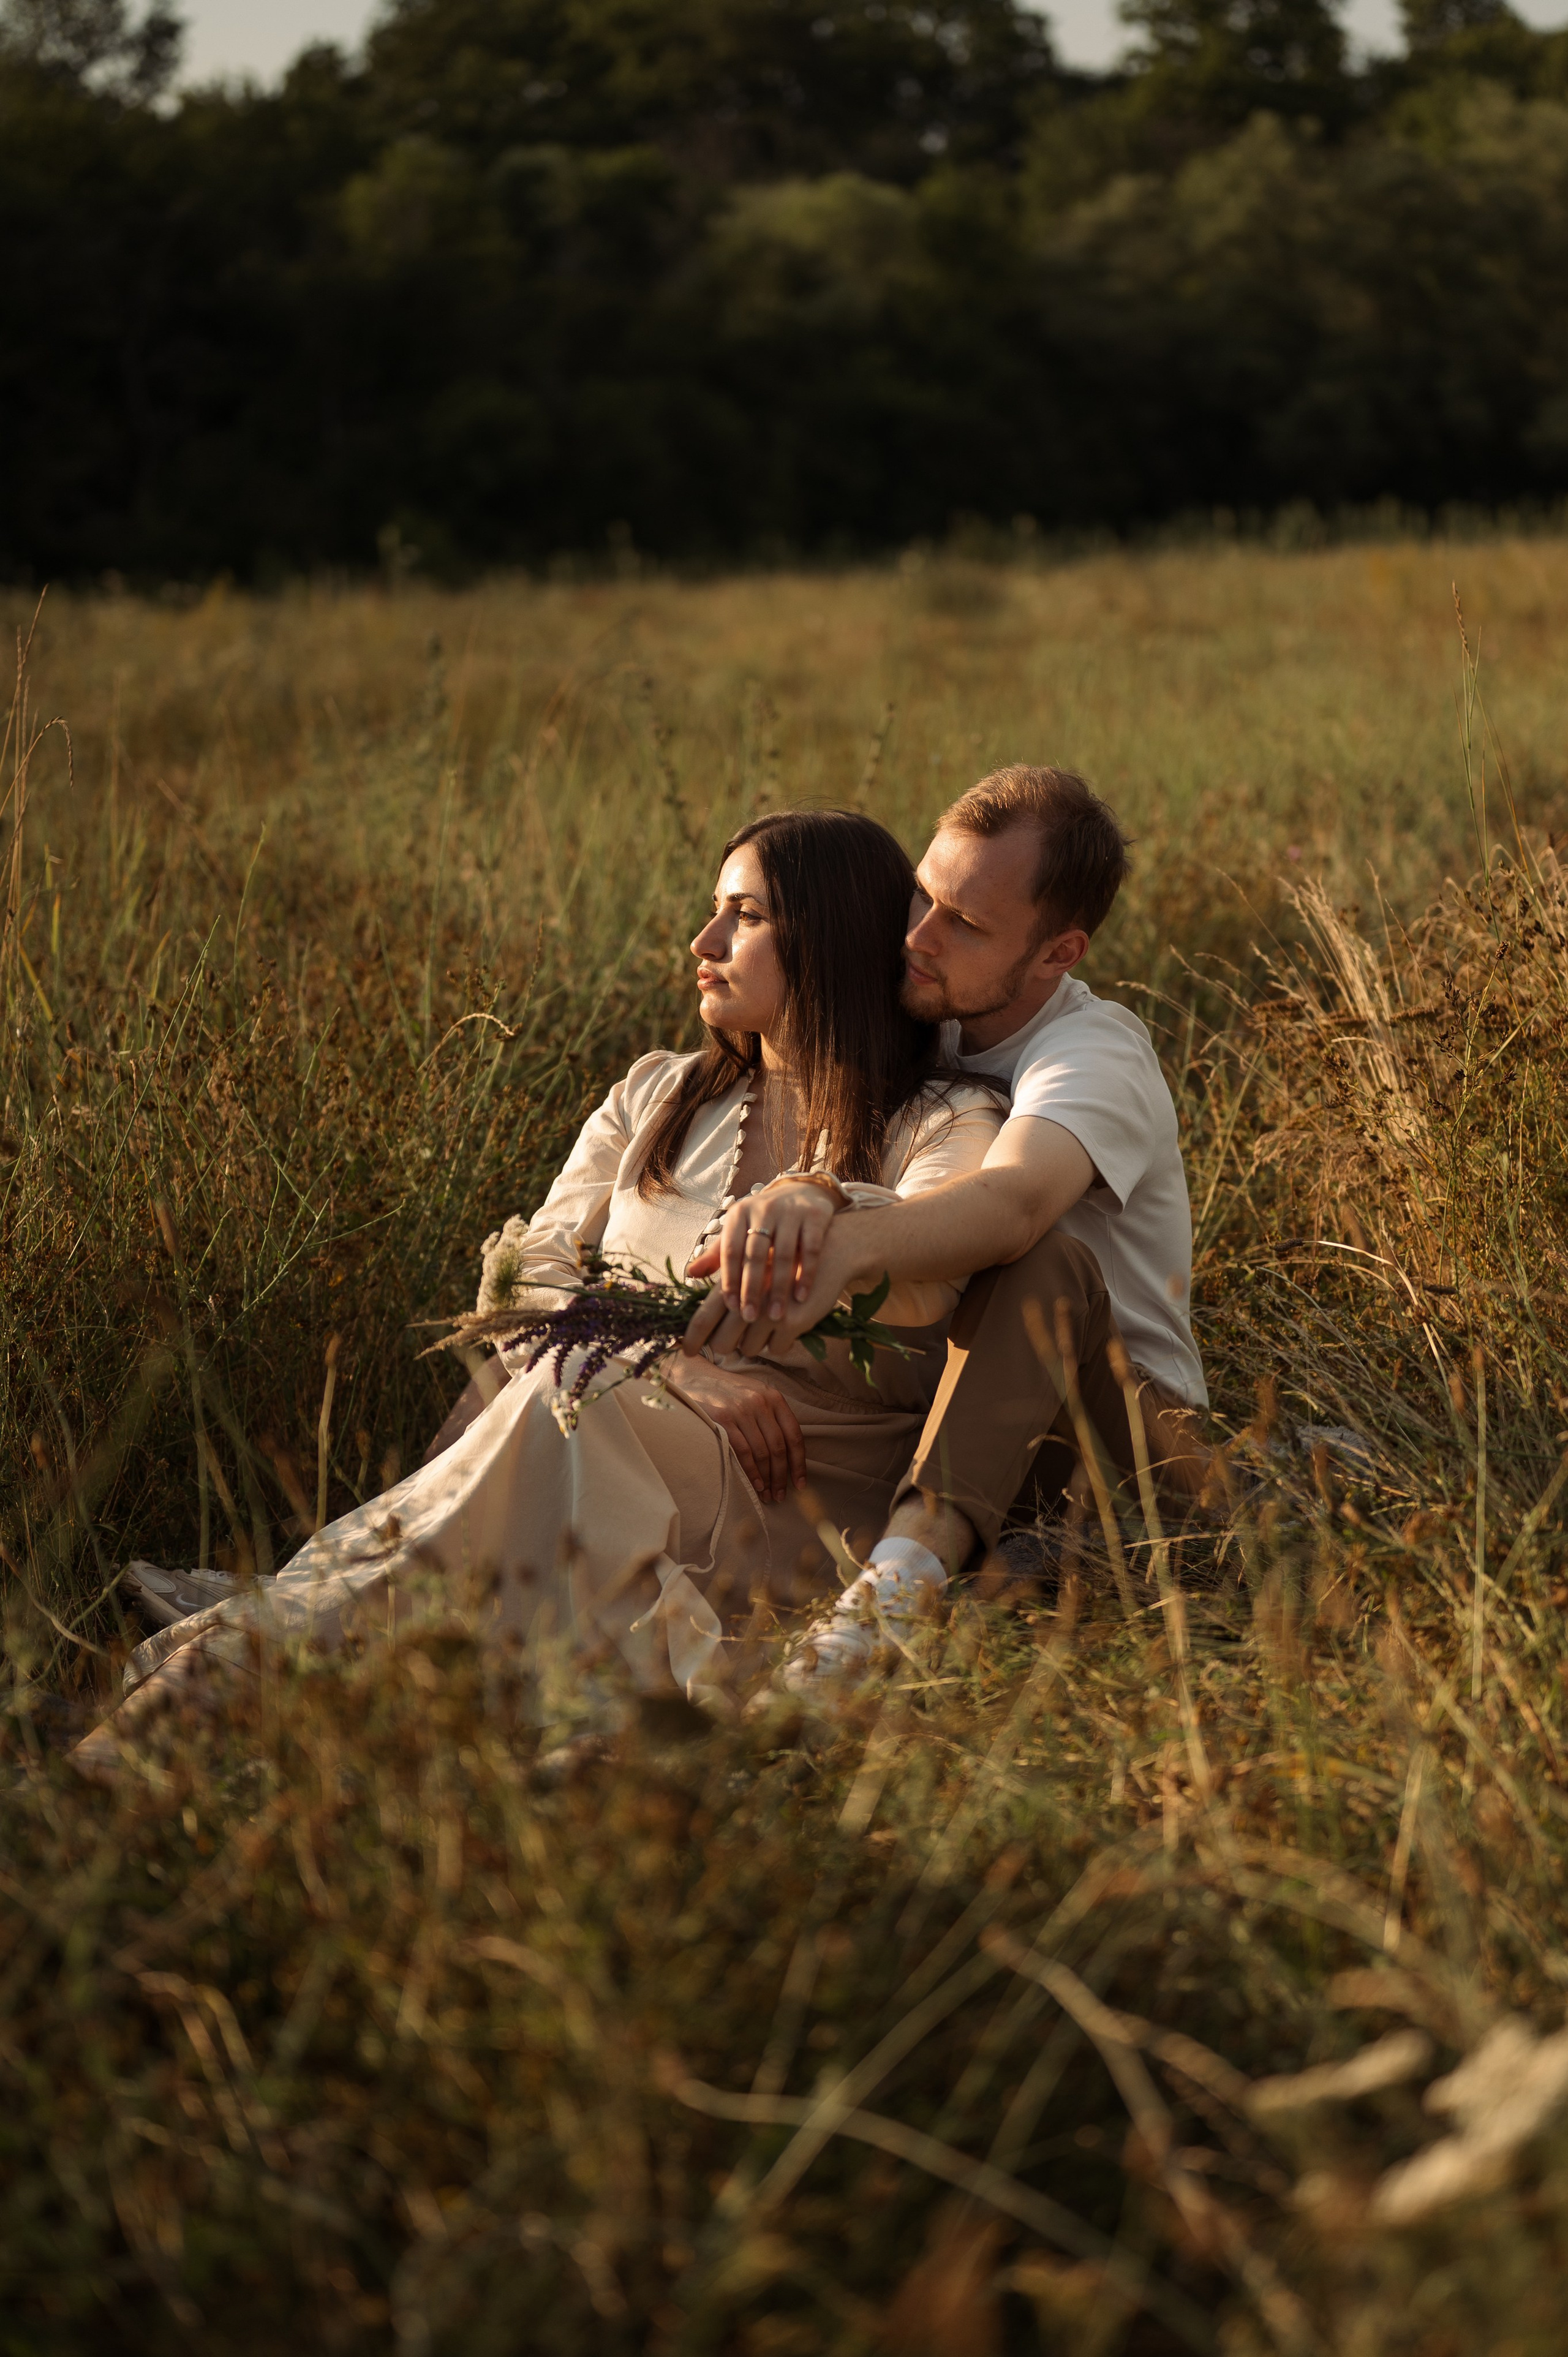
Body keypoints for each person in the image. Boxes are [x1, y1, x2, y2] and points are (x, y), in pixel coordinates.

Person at [75, 810, 1004, 1776]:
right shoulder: (658, 1094)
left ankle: (211, 1696)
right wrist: (681, 1368)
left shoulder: (942, 1122)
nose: (705, 943)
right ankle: (187, 1719)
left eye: (745, 916)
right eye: (714, 911)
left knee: (548, 1421)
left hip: (792, 1488)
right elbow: (529, 1279)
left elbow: (929, 1267)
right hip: (612, 1419)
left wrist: (819, 1201)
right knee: (557, 1411)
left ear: (831, 939)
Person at [681, 766, 1213, 1692]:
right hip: (946, 1429)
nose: (919, 937)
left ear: (1058, 954)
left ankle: (888, 1606)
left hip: (1109, 1444)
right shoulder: (933, 1021)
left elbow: (1010, 1206)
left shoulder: (1094, 1053)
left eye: (965, 925)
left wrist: (840, 1231)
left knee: (1042, 1256)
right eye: (923, 896)